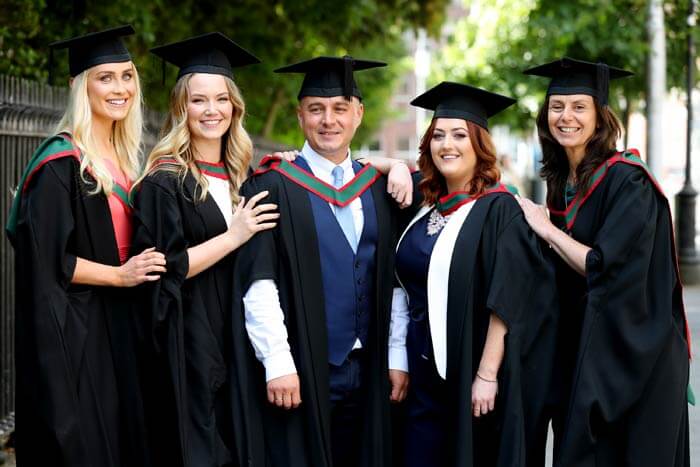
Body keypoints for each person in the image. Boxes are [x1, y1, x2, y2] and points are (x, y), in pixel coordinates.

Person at [233, 55, 413, 467]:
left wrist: (397, 355)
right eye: (316, 109)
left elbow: (397, 282)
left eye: (339, 109)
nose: (328, 120)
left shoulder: (383, 189)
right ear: (300, 116)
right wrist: (276, 361)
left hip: (370, 367)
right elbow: (259, 281)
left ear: (358, 114)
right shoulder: (272, 184)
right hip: (303, 366)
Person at [518, 57, 691, 467]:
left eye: (579, 106)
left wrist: (545, 229)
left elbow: (602, 266)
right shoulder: (562, 183)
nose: (566, 117)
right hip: (594, 354)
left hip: (637, 360)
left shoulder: (628, 181)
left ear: (600, 116)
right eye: (557, 107)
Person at [6, 25, 161, 466]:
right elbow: (46, 260)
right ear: (80, 86)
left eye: (127, 76)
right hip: (81, 331)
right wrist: (120, 274)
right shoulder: (60, 164)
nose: (120, 88)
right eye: (105, 77)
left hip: (125, 326)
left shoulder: (126, 158)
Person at [395, 81, 559, 467]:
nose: (446, 145)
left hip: (470, 376)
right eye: (438, 136)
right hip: (420, 378)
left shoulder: (500, 210)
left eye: (458, 135)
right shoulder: (424, 208)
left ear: (479, 145)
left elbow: (509, 295)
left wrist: (486, 374)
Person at [130, 33, 275, 467]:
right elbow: (164, 268)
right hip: (189, 341)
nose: (211, 111)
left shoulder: (238, 176)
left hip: (234, 335)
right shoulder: (164, 182)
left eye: (221, 100)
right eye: (198, 101)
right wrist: (234, 235)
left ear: (235, 106)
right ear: (181, 108)